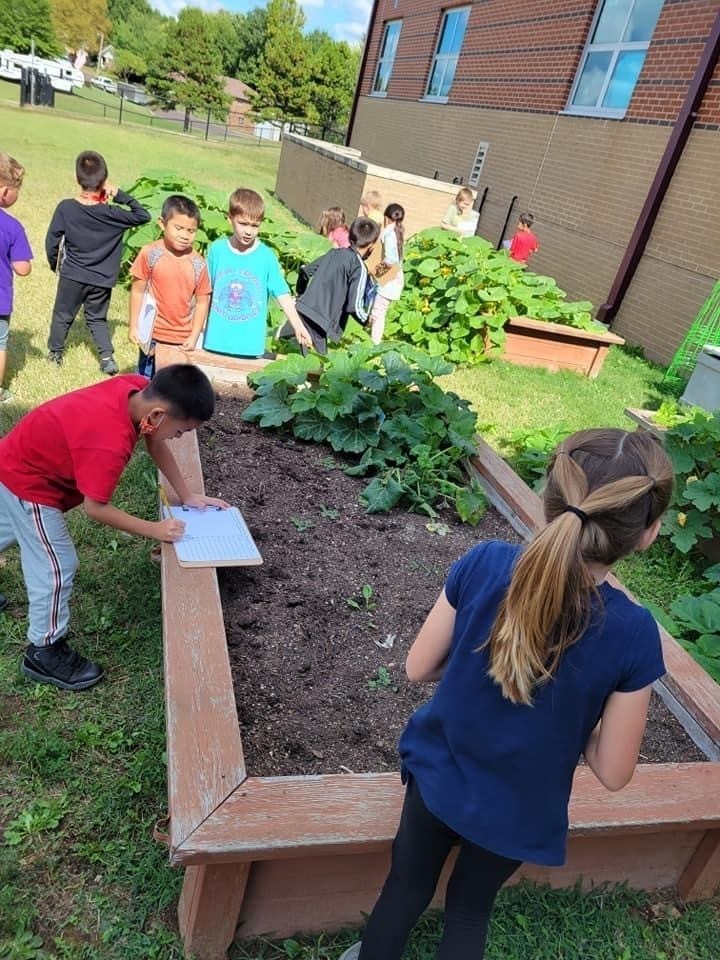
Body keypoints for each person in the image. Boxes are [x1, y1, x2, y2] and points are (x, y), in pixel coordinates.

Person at [338, 428, 674, 960]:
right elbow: (613, 771)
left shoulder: (486, 561)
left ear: (551, 497)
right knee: (470, 911)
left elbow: (417, 666)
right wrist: (580, 721)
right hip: (521, 812)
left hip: (437, 780)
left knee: (405, 888)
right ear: (648, 533)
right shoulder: (634, 632)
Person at [0, 364, 227, 691]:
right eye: (180, 432)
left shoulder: (135, 391)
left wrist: (188, 495)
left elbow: (155, 441)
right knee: (56, 566)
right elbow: (96, 509)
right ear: (160, 414)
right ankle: (44, 650)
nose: (178, 438)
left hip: (15, 458)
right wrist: (156, 529)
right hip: (32, 484)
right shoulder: (109, 440)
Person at [45, 150, 151, 375]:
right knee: (97, 317)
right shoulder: (113, 214)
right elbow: (143, 215)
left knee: (63, 315)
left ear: (77, 179)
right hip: (102, 278)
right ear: (104, 182)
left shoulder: (66, 208)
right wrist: (120, 195)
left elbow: (51, 240)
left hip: (72, 274)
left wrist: (55, 263)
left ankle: (55, 354)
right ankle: (106, 357)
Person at [203, 187, 312, 357]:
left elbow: (282, 293)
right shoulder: (217, 250)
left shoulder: (266, 256)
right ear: (230, 219)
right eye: (243, 224)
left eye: (255, 226)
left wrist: (298, 326)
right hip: (216, 341)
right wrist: (198, 327)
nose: (248, 231)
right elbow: (204, 291)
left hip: (249, 345)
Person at [128, 194, 212, 378]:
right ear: (162, 224)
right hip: (151, 335)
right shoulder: (150, 253)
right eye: (178, 228)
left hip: (180, 340)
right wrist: (134, 326)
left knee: (173, 388)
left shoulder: (198, 263)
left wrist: (194, 335)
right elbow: (137, 291)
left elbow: (202, 302)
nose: (184, 235)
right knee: (145, 381)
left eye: (191, 231)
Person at [280, 216, 380, 354]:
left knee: (306, 358)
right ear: (372, 245)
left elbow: (305, 270)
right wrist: (366, 320)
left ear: (350, 236)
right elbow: (354, 306)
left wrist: (301, 293)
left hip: (304, 309)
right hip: (320, 320)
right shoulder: (359, 267)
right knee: (317, 364)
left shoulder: (333, 253)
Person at [0, 153, 32, 404]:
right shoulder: (12, 227)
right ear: (4, 192)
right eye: (16, 190)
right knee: (0, 345)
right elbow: (22, 268)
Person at [369, 203, 404, 345]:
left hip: (390, 277)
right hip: (395, 276)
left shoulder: (389, 234)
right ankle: (371, 338)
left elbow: (391, 259)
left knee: (378, 312)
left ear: (386, 217)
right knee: (377, 309)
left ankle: (374, 344)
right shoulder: (398, 232)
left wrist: (376, 273)